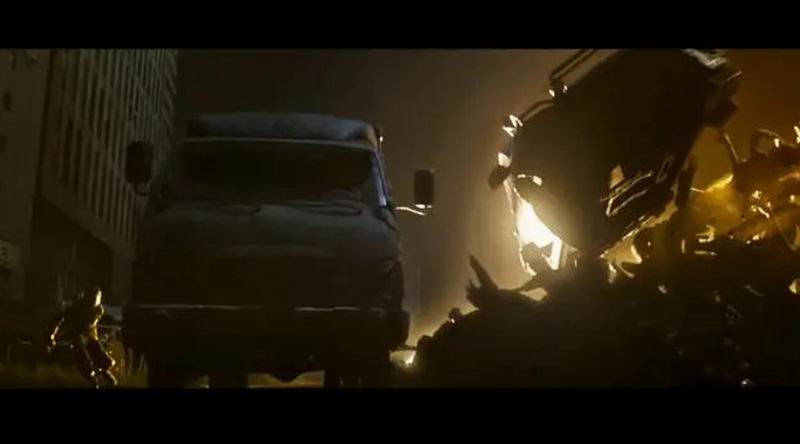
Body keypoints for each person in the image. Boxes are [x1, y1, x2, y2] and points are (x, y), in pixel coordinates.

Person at [45, 285, 117, 388]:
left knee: (102, 360)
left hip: (90, 338)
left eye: (96, 298)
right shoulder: (77, 309)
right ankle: (94, 379)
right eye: (92, 298)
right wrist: (51, 335)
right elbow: (59, 318)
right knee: (85, 363)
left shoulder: (97, 310)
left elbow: (91, 323)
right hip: (77, 338)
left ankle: (105, 375)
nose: (94, 301)